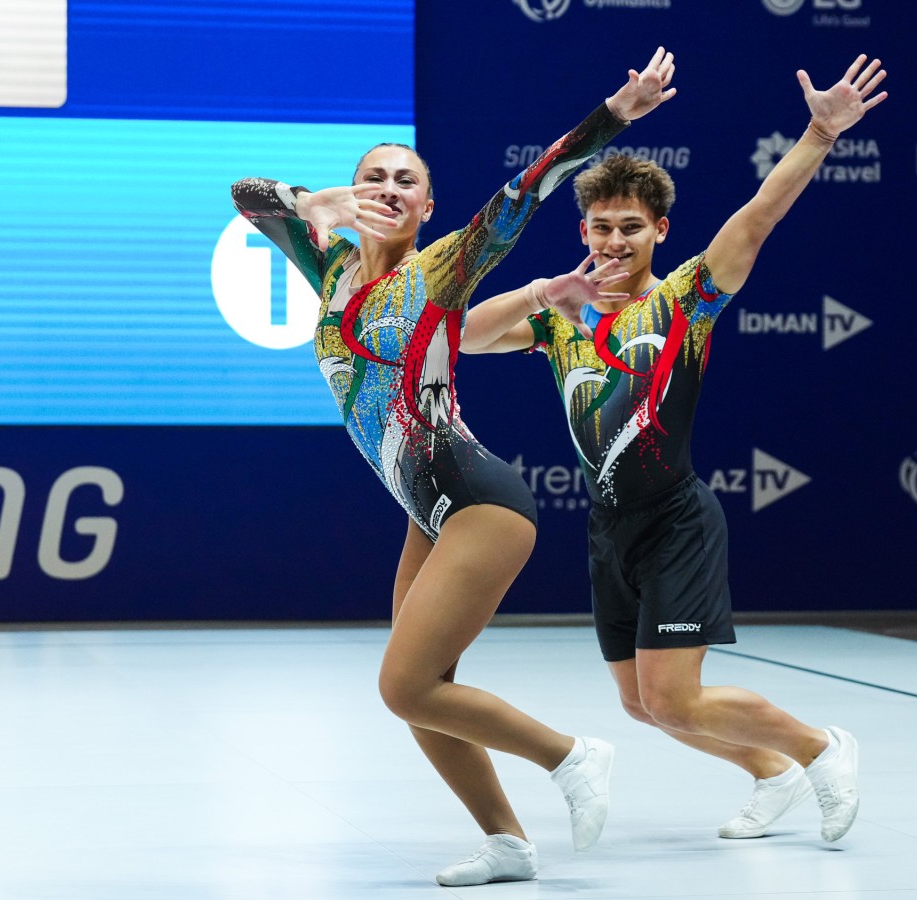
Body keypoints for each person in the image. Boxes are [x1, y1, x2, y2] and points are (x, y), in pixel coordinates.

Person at [229, 48, 676, 887]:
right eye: (374, 177)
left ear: (427, 206)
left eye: (407, 181)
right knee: (426, 690)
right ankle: (507, 841)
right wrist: (313, 204)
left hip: (476, 501)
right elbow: (246, 195)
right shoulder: (328, 268)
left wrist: (615, 115)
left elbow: (531, 188)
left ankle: (571, 756)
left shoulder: (441, 268)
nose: (389, 188)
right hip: (425, 511)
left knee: (404, 686)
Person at [460, 54, 886, 845]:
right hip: (608, 529)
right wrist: (543, 291)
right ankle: (771, 772)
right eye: (601, 226)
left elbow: (757, 215)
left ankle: (819, 747)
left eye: (631, 227)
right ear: (582, 231)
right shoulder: (558, 319)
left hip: (675, 522)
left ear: (659, 230)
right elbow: (462, 337)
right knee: (639, 703)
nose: (614, 240)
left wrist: (821, 134)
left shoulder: (687, 298)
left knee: (674, 697)